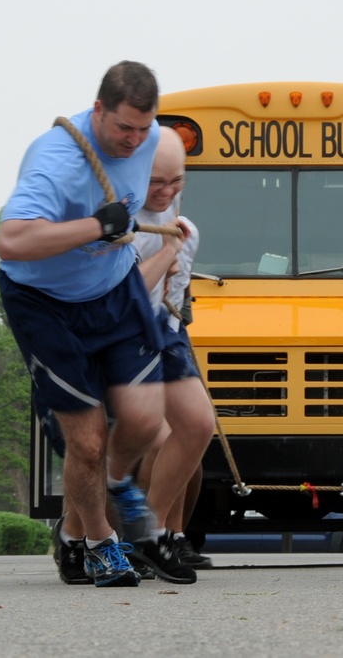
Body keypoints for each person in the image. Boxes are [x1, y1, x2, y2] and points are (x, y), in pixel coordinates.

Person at [0, 61, 164, 587]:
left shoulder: (152, 135)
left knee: (143, 419)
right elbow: (12, 241)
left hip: (114, 288)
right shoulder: (55, 163)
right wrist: (95, 225)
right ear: (98, 110)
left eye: (143, 129)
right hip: (44, 301)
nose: (135, 141)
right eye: (123, 129)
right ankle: (97, 543)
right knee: (87, 442)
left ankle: (113, 484)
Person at [127, 126, 217, 583]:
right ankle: (86, 537)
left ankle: (156, 532)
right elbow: (124, 302)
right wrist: (164, 253)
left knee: (196, 425)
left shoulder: (187, 229)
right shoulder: (117, 225)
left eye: (176, 182)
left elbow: (173, 305)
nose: (165, 192)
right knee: (135, 438)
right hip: (117, 337)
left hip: (164, 334)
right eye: (155, 182)